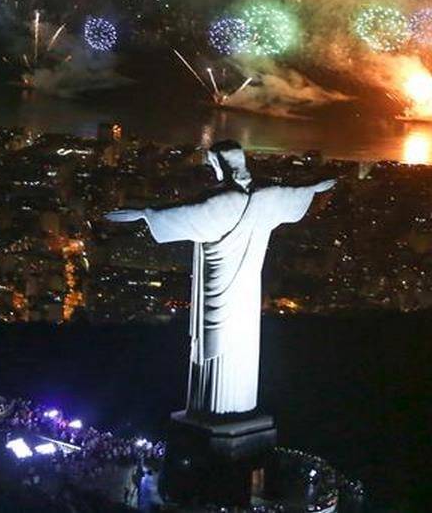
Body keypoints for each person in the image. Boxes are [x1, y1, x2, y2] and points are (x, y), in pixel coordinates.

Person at [106, 141, 334, 416]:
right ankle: (237, 407)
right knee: (243, 342)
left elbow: (183, 214)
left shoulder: (222, 201)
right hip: (248, 290)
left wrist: (144, 214)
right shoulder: (267, 194)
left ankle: (213, 412)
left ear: (219, 165)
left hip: (219, 286)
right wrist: (315, 187)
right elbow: (294, 193)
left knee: (215, 342)